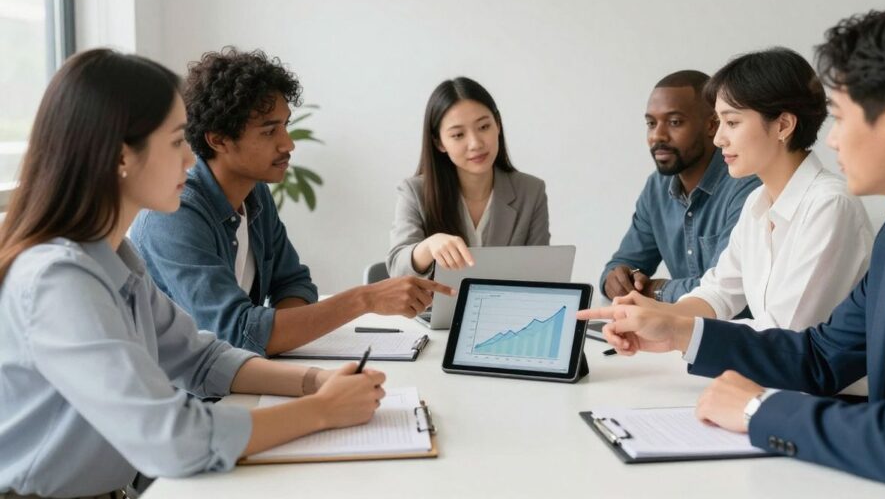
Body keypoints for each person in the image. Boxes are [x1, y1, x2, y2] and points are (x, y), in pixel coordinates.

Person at [579, 3, 885, 498]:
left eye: (840, 118)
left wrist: (755, 409)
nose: (831, 139)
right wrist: (679, 330)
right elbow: (820, 355)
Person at [0, 49, 387, 498]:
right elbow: (170, 438)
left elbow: (201, 357)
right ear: (121, 156)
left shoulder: (116, 258)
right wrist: (321, 411)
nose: (190, 158)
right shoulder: (58, 281)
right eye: (177, 141)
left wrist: (316, 382)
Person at [131, 48, 452, 356]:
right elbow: (237, 332)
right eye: (270, 132)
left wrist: (277, 340)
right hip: (183, 399)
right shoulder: (174, 215)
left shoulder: (254, 193)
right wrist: (364, 299)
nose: (288, 144)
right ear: (218, 139)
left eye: (286, 125)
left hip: (239, 380)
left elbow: (293, 284)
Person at [614, 48, 874, 334]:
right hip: (767, 374)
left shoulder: (829, 205)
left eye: (732, 122)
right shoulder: (757, 202)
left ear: (783, 125)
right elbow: (718, 293)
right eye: (719, 122)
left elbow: (786, 333)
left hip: (811, 377)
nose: (719, 138)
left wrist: (676, 332)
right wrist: (657, 317)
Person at [600, 70, 760, 303]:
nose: (657, 136)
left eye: (675, 122)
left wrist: (654, 289)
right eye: (651, 123)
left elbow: (723, 290)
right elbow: (620, 264)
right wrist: (618, 280)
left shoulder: (745, 186)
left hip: (736, 334)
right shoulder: (656, 187)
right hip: (679, 332)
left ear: (712, 126)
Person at [387, 77, 549, 276]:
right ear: (439, 143)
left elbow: (542, 274)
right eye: (458, 135)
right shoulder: (414, 192)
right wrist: (429, 246)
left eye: (484, 127)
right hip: (438, 307)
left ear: (497, 125)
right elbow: (397, 270)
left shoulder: (531, 191)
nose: (475, 143)